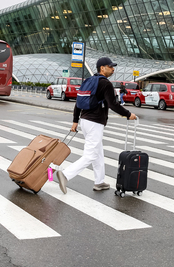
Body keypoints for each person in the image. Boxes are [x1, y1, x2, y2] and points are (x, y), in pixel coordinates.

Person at [56, 57, 137, 194]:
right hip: (95, 123)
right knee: (91, 155)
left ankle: (99, 182)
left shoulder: (88, 81)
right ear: (102, 68)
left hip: (85, 121)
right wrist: (128, 114)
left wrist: (75, 121)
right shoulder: (105, 84)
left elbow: (78, 102)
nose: (113, 69)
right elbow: (113, 104)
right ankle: (65, 175)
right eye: (110, 66)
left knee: (98, 153)